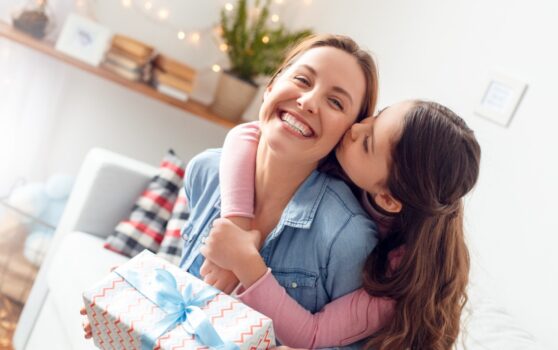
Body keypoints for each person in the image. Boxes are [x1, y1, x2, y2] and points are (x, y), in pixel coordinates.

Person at [81, 34, 380, 348]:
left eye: (335, 102)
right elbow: (189, 296)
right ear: (271, 85)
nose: (307, 102)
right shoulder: (206, 172)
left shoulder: (348, 236)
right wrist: (133, 300)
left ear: (348, 134)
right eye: (303, 80)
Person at [201, 100, 481, 350]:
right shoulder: (351, 162)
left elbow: (311, 335)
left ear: (388, 198)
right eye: (378, 116)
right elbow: (248, 132)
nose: (357, 129)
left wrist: (245, 262)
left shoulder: (400, 276)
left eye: (368, 143)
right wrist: (237, 223)